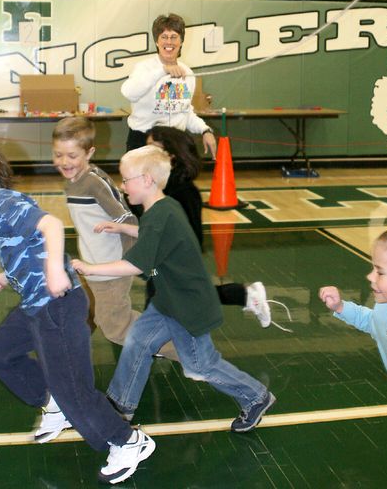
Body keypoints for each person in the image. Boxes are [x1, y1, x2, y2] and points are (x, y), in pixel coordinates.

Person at [0, 140, 155, 485]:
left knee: (75, 389)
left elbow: (50, 226)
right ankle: (52, 403)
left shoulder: (4, 203)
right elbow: (29, 248)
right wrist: (5, 275)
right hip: (37, 305)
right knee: (1, 352)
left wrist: (55, 269)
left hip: (58, 306)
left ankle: (129, 442)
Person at [72, 145, 276, 432]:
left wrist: (90, 268)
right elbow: (151, 234)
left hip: (185, 307)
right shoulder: (165, 207)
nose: (122, 185)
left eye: (126, 179)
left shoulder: (160, 216)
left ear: (147, 180)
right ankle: (120, 406)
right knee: (138, 342)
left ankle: (255, 397)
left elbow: (134, 265)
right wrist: (123, 229)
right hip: (168, 301)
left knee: (200, 365)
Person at [95, 125, 290, 330]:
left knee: (172, 292)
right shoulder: (160, 187)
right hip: (167, 254)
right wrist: (126, 224)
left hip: (176, 256)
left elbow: (179, 232)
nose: (147, 152)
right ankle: (244, 296)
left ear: (171, 155)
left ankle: (156, 338)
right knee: (172, 292)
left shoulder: (181, 190)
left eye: (153, 147)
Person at [51, 116, 178, 361]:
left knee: (115, 328)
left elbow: (129, 220)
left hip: (109, 270)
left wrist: (129, 262)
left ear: (89, 153)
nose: (64, 162)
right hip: (94, 266)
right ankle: (68, 354)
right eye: (58, 155)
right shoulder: (75, 181)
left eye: (72, 156)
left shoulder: (95, 183)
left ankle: (183, 349)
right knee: (95, 315)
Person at [319, 222, 387, 488]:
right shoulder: (386, 312)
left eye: (380, 271)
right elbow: (372, 321)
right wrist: (341, 307)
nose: (370, 277)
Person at [121, 13, 217, 159]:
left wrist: (205, 130)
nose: (169, 42)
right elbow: (128, 92)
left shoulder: (187, 73)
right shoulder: (144, 68)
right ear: (157, 42)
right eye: (164, 37)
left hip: (174, 143)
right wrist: (162, 70)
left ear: (181, 41)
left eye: (174, 37)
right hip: (143, 142)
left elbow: (184, 112)